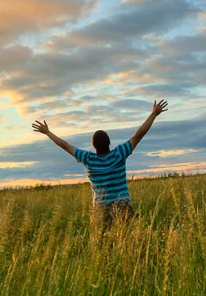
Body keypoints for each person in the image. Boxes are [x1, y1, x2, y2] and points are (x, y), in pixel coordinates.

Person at [32, 99, 168, 231]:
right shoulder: (119, 154)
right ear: (109, 142)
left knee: (102, 246)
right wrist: (153, 114)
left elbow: (65, 146)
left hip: (100, 210)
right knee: (128, 241)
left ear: (93, 145)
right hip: (122, 207)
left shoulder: (88, 159)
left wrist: (47, 132)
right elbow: (138, 135)